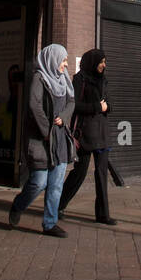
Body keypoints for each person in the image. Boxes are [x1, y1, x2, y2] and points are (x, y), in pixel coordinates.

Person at [7, 44, 75, 238]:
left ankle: (50, 223)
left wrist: (63, 117)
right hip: (41, 140)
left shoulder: (64, 79)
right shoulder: (39, 78)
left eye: (66, 60)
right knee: (39, 182)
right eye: (63, 60)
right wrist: (46, 130)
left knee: (55, 185)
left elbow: (72, 101)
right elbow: (34, 105)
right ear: (52, 59)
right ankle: (18, 205)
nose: (65, 64)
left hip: (59, 140)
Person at [59, 49, 115, 225]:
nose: (104, 65)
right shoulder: (80, 79)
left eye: (105, 62)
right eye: (101, 62)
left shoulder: (103, 80)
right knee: (80, 173)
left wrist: (107, 108)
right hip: (85, 134)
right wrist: (97, 107)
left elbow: (109, 103)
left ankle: (103, 214)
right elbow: (74, 105)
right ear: (92, 62)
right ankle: (58, 205)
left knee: (101, 174)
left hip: (102, 133)